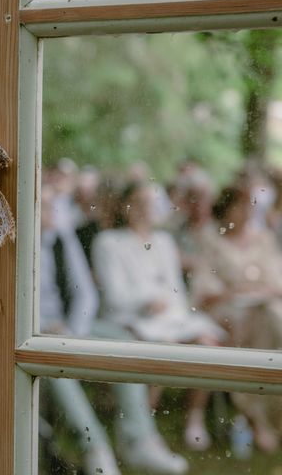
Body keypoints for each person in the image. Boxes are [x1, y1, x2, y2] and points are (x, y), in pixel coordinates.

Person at [40, 187, 188, 475]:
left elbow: (84, 292)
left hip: (70, 325)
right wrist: (47, 329)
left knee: (123, 340)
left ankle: (138, 438)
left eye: (51, 205)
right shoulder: (11, 242)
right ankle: (94, 447)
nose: (50, 213)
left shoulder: (61, 237)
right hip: (36, 330)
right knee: (50, 359)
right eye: (43, 207)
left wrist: (73, 329)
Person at [92, 181, 224, 451]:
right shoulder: (108, 241)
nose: (144, 210)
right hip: (128, 320)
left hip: (169, 318)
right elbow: (115, 297)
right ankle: (143, 431)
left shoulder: (163, 241)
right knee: (165, 349)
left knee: (208, 343)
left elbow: (175, 289)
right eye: (138, 203)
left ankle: (194, 417)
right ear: (125, 205)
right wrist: (148, 302)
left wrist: (171, 312)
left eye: (149, 204)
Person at [192, 184, 282, 453]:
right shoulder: (211, 239)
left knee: (269, 318)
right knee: (251, 321)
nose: (246, 212)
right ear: (227, 209)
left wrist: (258, 291)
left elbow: (276, 280)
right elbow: (203, 290)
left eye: (249, 206)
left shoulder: (263, 238)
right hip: (226, 309)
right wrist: (233, 292)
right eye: (240, 206)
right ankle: (255, 416)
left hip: (263, 306)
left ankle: (267, 414)